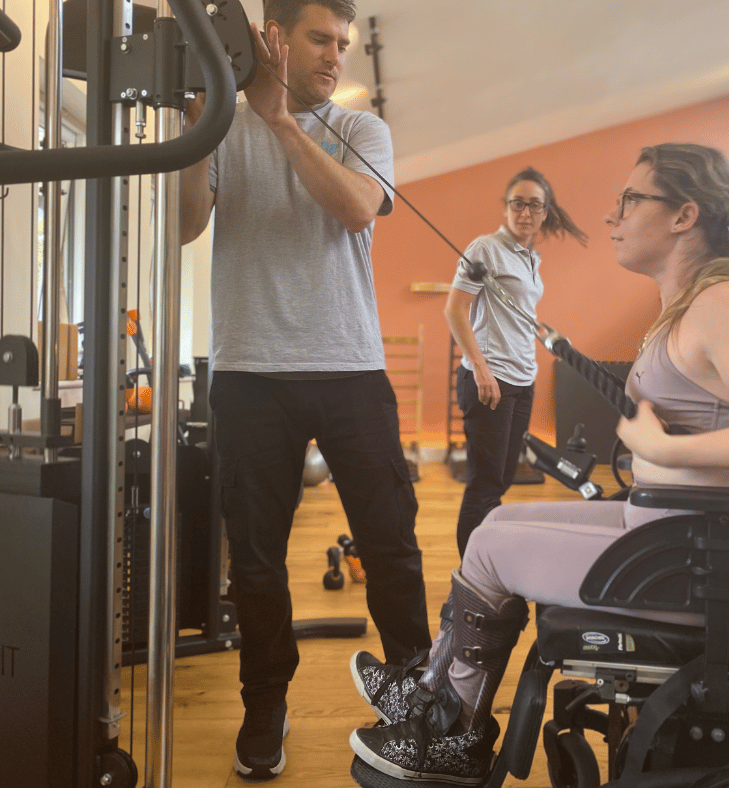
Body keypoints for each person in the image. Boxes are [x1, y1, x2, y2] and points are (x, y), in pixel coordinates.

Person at [347, 143, 729, 785]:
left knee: (491, 552)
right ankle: (440, 704)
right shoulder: (699, 304)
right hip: (674, 540)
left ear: (683, 215)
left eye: (631, 200)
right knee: (491, 527)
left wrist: (668, 449)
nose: (613, 217)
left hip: (694, 563)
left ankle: (447, 727)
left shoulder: (726, 304)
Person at [179, 0, 432, 780]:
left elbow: (357, 209)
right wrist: (199, 120)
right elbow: (187, 225)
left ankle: (416, 707)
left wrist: (282, 119)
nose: (336, 56)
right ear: (275, 38)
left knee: (390, 548)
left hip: (350, 369)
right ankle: (266, 703)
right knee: (253, 563)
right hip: (252, 372)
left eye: (344, 43)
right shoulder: (223, 126)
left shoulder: (362, 131)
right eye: (321, 38)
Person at [444, 168, 587, 557]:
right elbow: (455, 310)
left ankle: (487, 560)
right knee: (486, 484)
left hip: (524, 377)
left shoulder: (529, 256)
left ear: (545, 211)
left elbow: (515, 309)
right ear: (507, 208)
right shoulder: (485, 249)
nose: (525, 212)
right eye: (517, 203)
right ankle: (474, 572)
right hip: (492, 378)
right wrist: (481, 368)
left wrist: (546, 333)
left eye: (534, 205)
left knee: (504, 477)